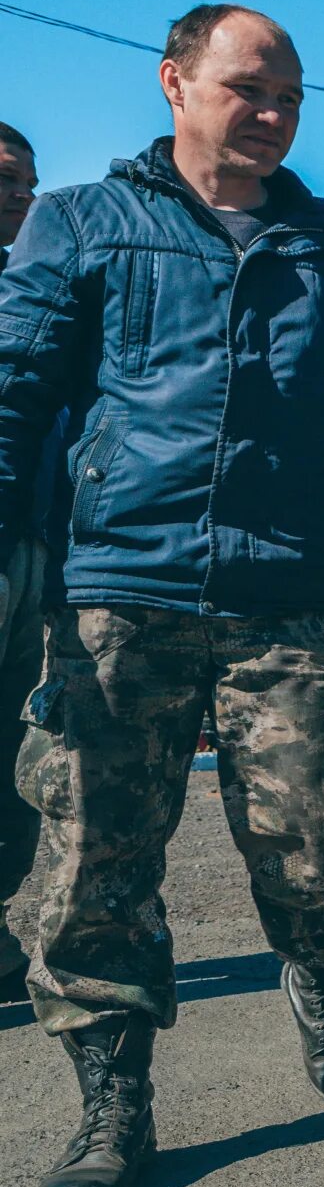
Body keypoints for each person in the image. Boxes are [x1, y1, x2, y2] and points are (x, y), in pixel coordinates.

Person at [0, 4, 324, 1187]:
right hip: (118, 594)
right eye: (249, 87)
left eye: (290, 94)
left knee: (317, 836)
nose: (273, 113)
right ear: (174, 83)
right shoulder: (83, 225)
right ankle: (114, 1098)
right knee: (93, 862)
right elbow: (15, 385)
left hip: (286, 590)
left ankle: (317, 962)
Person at [0, 120, 42, 1006]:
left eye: (26, 184)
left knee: (13, 742)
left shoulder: (37, 286)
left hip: (34, 548)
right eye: (5, 181)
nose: (18, 198)